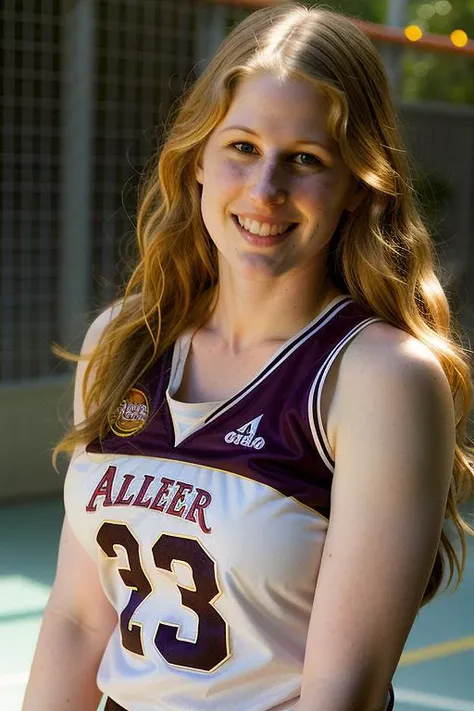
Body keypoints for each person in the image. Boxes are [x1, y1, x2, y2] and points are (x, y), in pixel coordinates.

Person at [23, 3, 474, 710]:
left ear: (357, 186)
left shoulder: (379, 378)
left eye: (305, 160)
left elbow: (341, 691)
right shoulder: (123, 342)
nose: (265, 191)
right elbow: (79, 622)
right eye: (241, 147)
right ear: (198, 157)